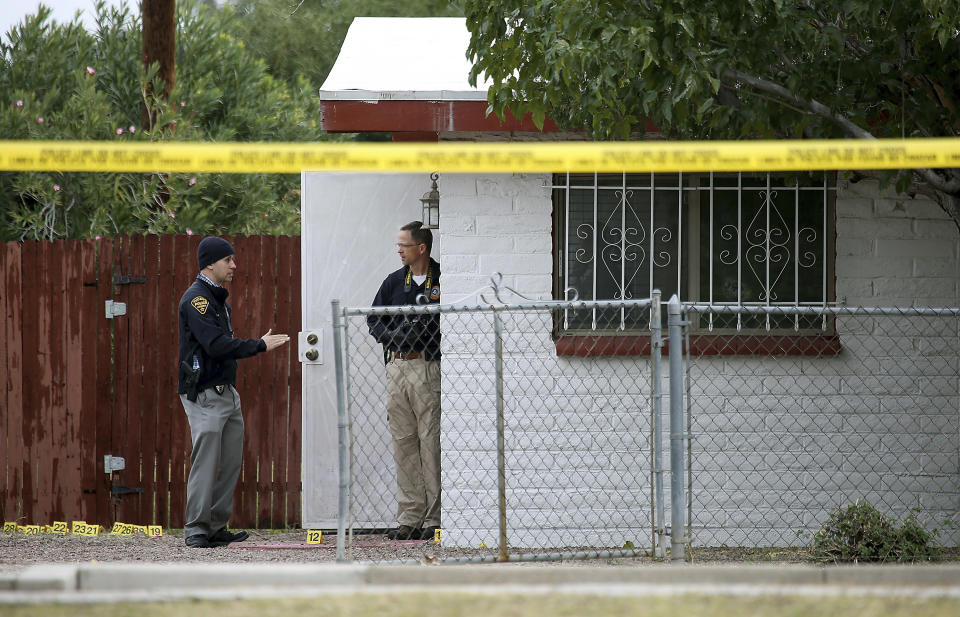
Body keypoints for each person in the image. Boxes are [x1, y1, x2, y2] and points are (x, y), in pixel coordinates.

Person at [177, 236, 290, 548]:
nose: (234, 265)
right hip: (204, 394)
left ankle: (216, 526)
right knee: (206, 461)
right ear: (210, 263)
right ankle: (197, 529)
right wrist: (259, 345)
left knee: (228, 461)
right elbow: (215, 345)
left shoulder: (217, 300)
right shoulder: (197, 299)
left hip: (226, 393)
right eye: (228, 260)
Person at [368, 221, 442, 541]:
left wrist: (425, 334)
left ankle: (434, 517)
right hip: (397, 366)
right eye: (398, 246)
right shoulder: (395, 281)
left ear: (421, 248)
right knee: (403, 442)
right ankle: (409, 516)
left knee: (431, 442)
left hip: (427, 366)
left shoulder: (443, 278)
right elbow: (374, 319)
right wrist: (393, 336)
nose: (399, 251)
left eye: (404, 246)